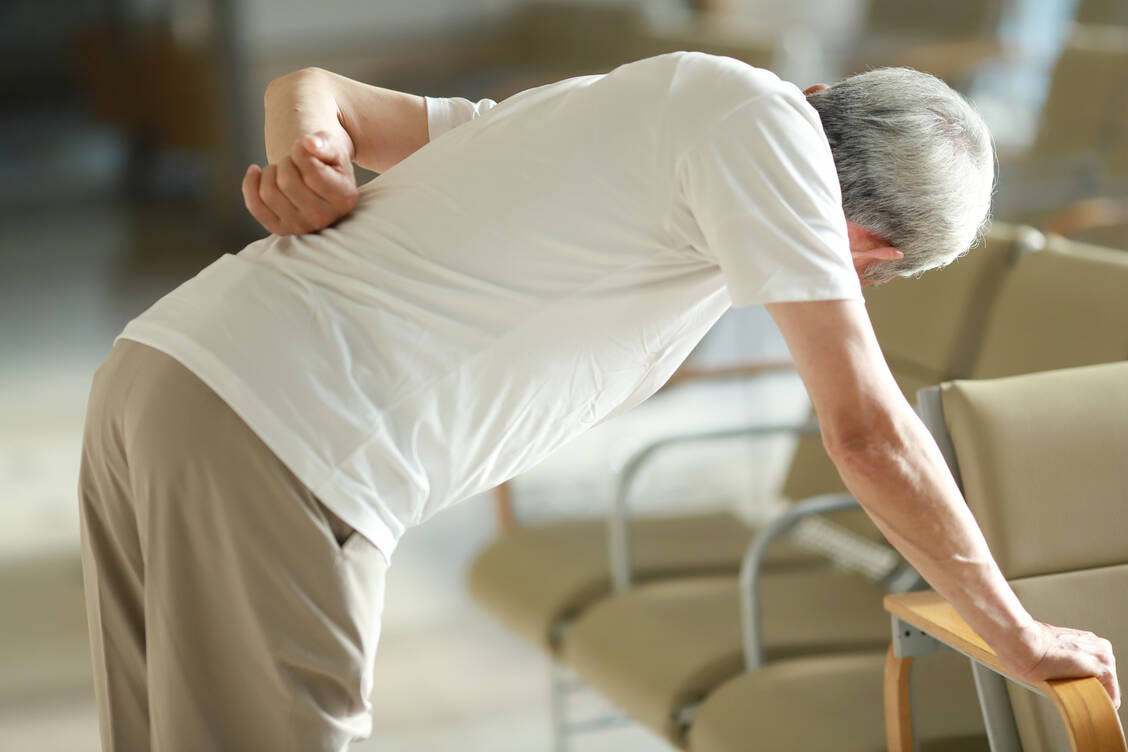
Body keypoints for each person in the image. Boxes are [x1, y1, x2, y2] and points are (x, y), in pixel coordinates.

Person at [78, 51, 1119, 750]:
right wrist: (1017, 631)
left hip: (166, 372)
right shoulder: (769, 137)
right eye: (866, 269)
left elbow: (318, 89)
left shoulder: (646, 109)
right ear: (871, 252)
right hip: (279, 438)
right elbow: (869, 434)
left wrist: (307, 149)